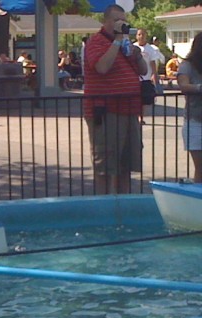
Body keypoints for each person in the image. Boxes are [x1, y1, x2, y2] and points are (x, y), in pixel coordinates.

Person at [83, 4, 147, 195]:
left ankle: (124, 206)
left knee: (125, 165)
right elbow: (102, 67)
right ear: (106, 21)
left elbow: (143, 71)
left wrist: (137, 55)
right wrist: (117, 42)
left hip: (129, 109)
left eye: (124, 20)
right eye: (117, 20)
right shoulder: (96, 42)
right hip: (106, 111)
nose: (121, 23)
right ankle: (103, 207)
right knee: (105, 165)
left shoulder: (127, 45)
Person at [177, 32, 202, 183]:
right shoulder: (187, 65)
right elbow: (183, 85)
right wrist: (200, 88)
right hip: (195, 121)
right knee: (200, 167)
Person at [134, 28, 162, 113]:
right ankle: (137, 116)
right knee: (135, 99)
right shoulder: (133, 47)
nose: (141, 36)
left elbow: (152, 62)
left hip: (146, 78)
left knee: (144, 100)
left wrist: (154, 74)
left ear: (146, 36)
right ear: (136, 36)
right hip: (135, 78)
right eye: (139, 34)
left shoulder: (150, 49)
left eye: (143, 34)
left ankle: (141, 116)